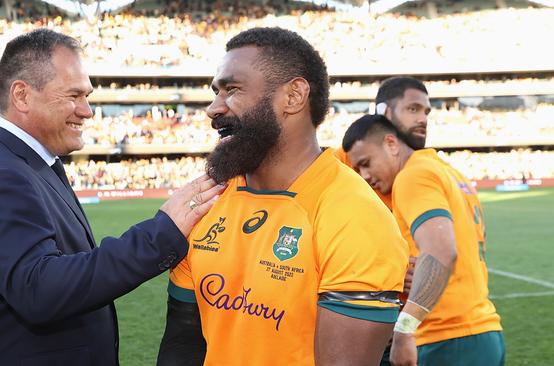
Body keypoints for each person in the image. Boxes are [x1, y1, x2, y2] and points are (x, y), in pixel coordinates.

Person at [0, 29, 223, 366]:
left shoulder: (28, 162)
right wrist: (160, 234)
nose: (87, 111)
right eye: (74, 95)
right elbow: (40, 290)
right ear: (22, 95)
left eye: (87, 96)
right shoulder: (2, 174)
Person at [156, 27, 408, 365]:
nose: (213, 108)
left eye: (232, 89)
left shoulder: (356, 216)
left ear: (293, 96)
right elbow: (183, 343)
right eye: (216, 92)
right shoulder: (203, 202)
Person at [342, 114, 504, 366]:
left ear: (391, 144)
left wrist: (405, 327)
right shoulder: (448, 171)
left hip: (447, 336)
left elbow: (441, 251)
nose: (364, 175)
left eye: (366, 163)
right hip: (480, 329)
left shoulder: (412, 176)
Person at [335, 76, 431, 209]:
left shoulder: (425, 171)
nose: (423, 119)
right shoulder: (346, 157)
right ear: (384, 112)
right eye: (413, 109)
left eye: (426, 112)